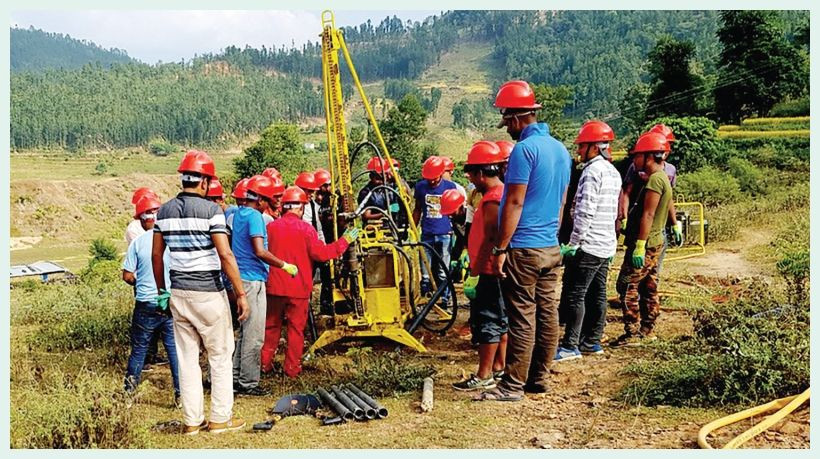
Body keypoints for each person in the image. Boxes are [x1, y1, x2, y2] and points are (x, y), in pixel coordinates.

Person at [477, 80, 571, 402]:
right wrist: (552, 237)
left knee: (521, 315)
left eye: (507, 123)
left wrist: (502, 248)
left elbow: (514, 202)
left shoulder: (524, 150)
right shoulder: (560, 149)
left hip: (524, 249)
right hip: (549, 246)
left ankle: (512, 385)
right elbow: (561, 201)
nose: (508, 130)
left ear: (516, 119)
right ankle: (539, 378)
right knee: (548, 313)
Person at [152, 150, 248, 435]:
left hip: (178, 293)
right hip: (208, 293)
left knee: (187, 359)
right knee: (219, 355)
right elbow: (225, 254)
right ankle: (220, 419)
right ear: (204, 182)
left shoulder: (163, 211)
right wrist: (241, 294)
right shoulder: (212, 211)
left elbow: (157, 255)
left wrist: (162, 292)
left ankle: (191, 422)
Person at [262, 186, 360, 377]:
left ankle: (264, 364)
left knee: (271, 327)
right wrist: (345, 241)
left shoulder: (271, 227)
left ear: (284, 206)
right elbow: (322, 254)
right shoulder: (306, 229)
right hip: (298, 289)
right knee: (295, 330)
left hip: (274, 286)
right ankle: (291, 369)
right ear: (301, 208)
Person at [555, 121, 622, 361]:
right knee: (598, 293)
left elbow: (586, 211)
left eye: (582, 147)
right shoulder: (613, 172)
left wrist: (574, 243)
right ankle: (592, 341)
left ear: (595, 147)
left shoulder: (592, 172)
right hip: (605, 244)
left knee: (575, 294)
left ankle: (570, 345)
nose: (579, 152)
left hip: (589, 244)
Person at [230, 175, 297, 396]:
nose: (271, 205)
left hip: (241, 278)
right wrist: (283, 264)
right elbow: (259, 250)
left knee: (243, 331)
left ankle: (235, 376)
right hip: (252, 279)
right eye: (268, 201)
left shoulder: (238, 214)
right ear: (259, 200)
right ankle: (249, 383)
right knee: (255, 334)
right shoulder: (256, 217)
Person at [450, 141, 509, 391]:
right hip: (488, 267)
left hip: (487, 270)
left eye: (473, 175)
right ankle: (498, 367)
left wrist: (474, 272)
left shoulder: (493, 198)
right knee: (500, 319)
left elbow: (492, 237)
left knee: (488, 321)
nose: (472, 180)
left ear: (482, 173)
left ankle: (484, 374)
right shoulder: (499, 194)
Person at [611, 132, 675, 347]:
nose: (634, 160)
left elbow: (648, 214)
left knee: (628, 285)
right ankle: (648, 329)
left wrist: (639, 245)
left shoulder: (656, 180)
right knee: (649, 285)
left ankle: (633, 331)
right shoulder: (662, 176)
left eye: (638, 156)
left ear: (649, 156)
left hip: (647, 243)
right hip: (655, 241)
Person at [122, 195, 180, 407]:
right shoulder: (172, 240)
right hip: (169, 301)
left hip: (145, 303)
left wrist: (140, 282)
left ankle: (129, 395)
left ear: (142, 219)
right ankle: (180, 395)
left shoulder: (137, 242)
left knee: (138, 350)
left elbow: (127, 275)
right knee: (174, 350)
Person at [413, 156, 457, 306]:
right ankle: (425, 301)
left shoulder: (450, 187)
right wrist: (412, 227)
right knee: (425, 272)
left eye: (435, 177)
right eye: (429, 178)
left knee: (443, 271)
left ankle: (446, 300)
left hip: (444, 233)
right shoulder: (420, 187)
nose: (432, 181)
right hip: (427, 233)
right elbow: (417, 209)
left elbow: (456, 211)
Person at [314, 168, 335, 316]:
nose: (328, 188)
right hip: (315, 243)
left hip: (328, 241)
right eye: (324, 186)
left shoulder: (331, 199)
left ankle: (328, 306)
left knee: (329, 276)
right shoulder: (310, 206)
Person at [295, 171, 325, 242]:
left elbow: (319, 231)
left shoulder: (313, 206)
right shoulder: (290, 205)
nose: (312, 195)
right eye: (309, 191)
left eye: (313, 191)